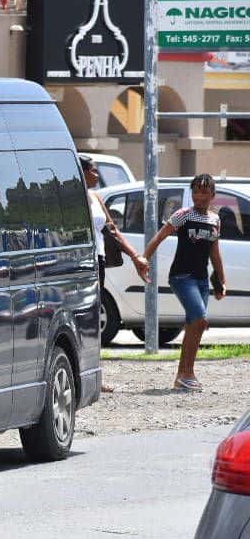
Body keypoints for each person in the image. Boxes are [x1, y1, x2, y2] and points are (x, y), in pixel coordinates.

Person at [141, 173, 227, 391]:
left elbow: (214, 253)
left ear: (213, 195)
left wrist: (221, 280)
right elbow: (159, 236)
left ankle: (184, 375)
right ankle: (186, 374)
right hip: (181, 277)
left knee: (194, 326)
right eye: (195, 192)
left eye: (204, 192)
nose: (199, 196)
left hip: (201, 280)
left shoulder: (215, 220)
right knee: (199, 319)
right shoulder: (183, 216)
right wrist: (144, 259)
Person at [82, 156, 149, 393]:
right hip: (79, 261)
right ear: (82, 172)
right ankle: (82, 374)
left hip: (97, 260)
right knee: (82, 318)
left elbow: (111, 230)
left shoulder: (95, 197)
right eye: (93, 170)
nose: (97, 175)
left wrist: (135, 256)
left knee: (93, 316)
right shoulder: (71, 197)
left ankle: (95, 375)